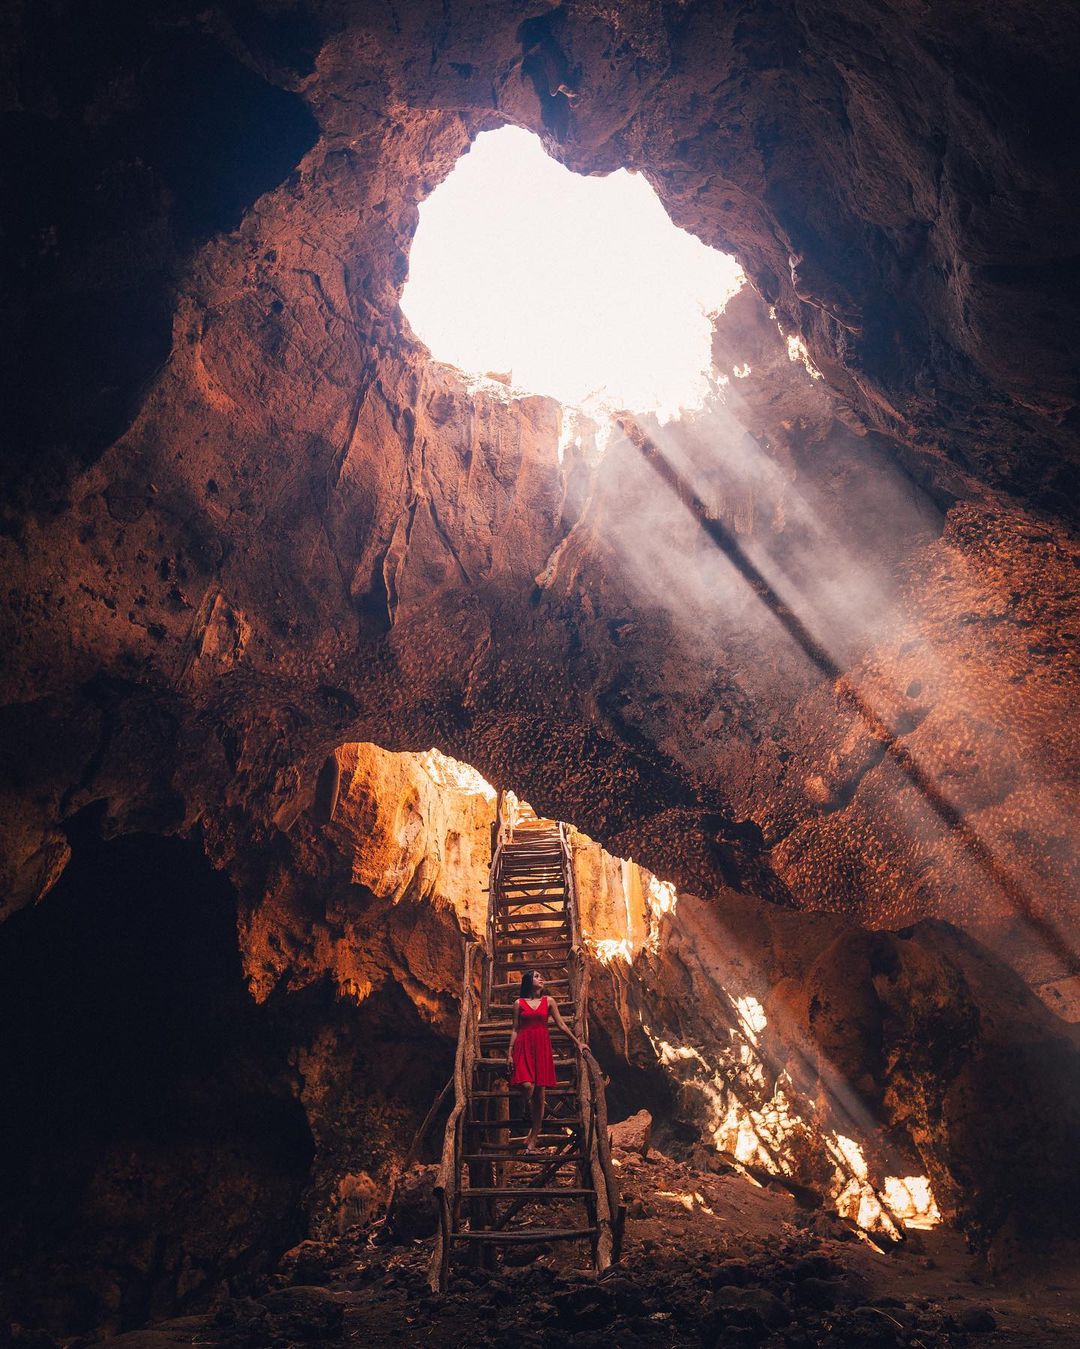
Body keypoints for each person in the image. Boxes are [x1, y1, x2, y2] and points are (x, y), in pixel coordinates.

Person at [506, 969, 584, 1152]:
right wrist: (509, 1053)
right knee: (526, 1086)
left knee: (540, 1096)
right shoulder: (519, 1003)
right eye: (536, 976)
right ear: (528, 981)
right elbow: (515, 1029)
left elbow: (561, 1024)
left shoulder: (549, 1001)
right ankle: (526, 1106)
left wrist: (578, 1043)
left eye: (542, 976)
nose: (541, 978)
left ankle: (532, 1138)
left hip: (541, 1047)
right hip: (523, 1045)